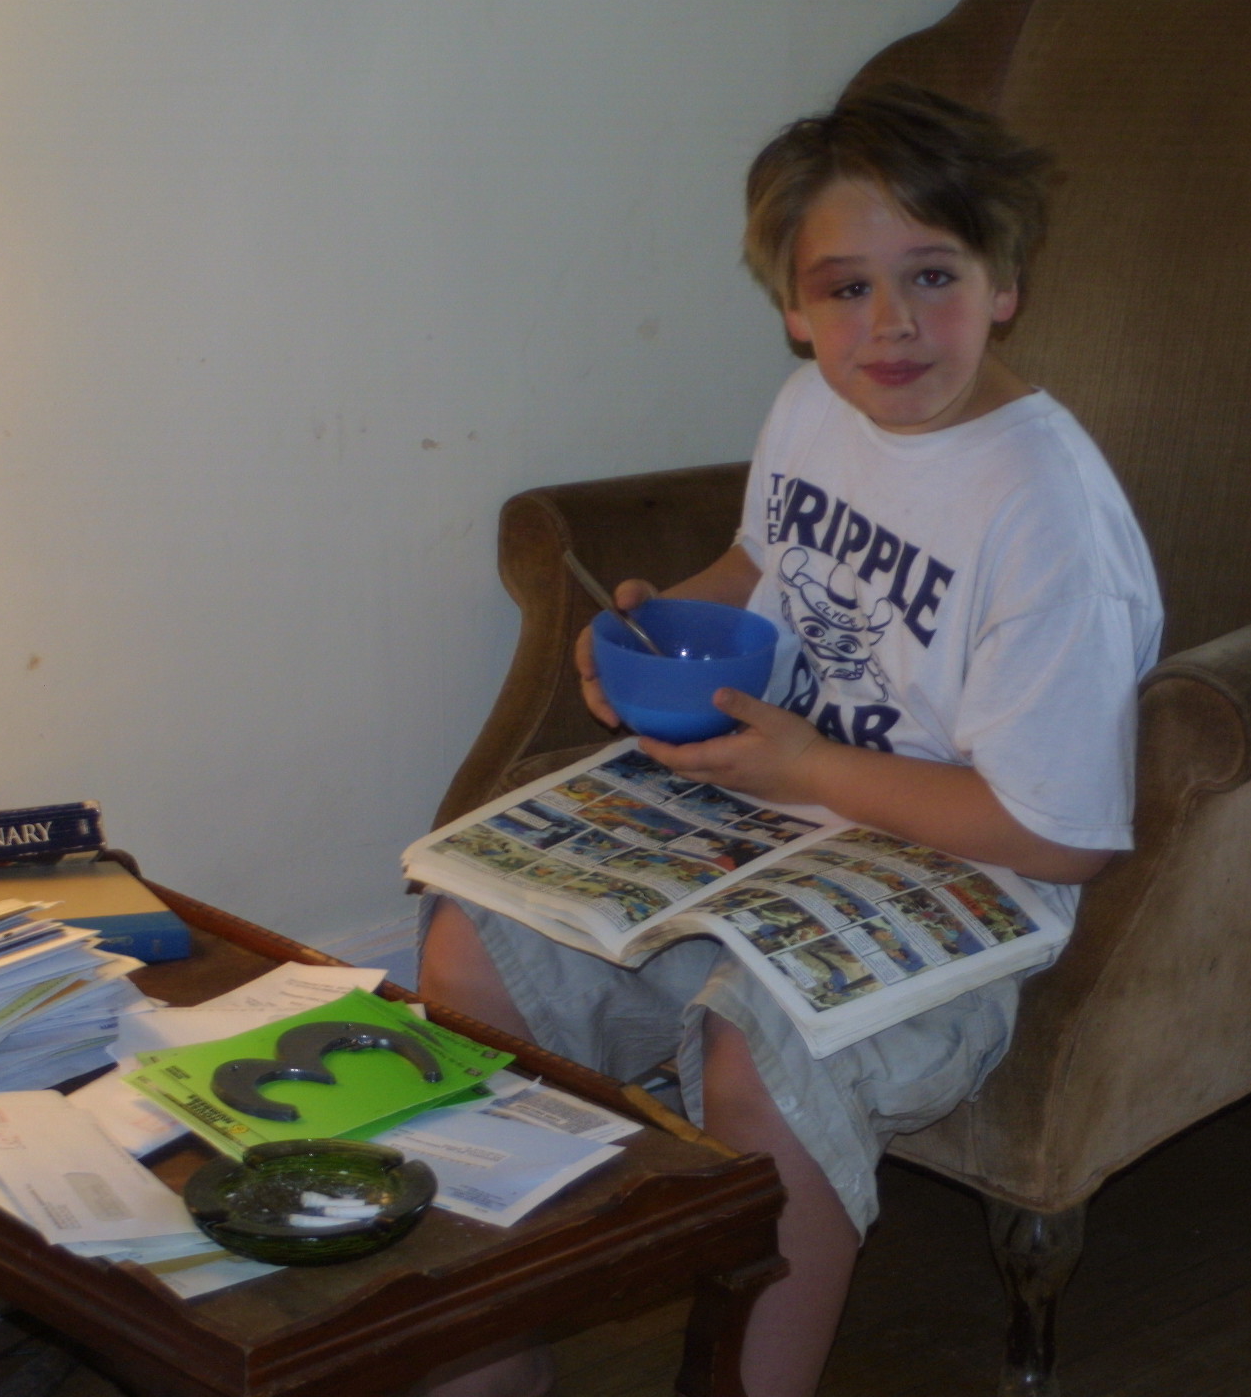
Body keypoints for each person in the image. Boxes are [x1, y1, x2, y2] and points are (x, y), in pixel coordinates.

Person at [415, 82, 1162, 1397]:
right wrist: (660, 623)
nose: (890, 325)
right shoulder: (814, 405)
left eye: (932, 276)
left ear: (1004, 285)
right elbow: (762, 562)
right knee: (469, 948)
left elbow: (1060, 835)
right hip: (765, 808)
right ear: (793, 309)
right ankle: (493, 1356)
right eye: (846, 289)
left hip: (962, 868)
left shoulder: (1046, 514)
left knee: (759, 1053)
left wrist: (805, 769)